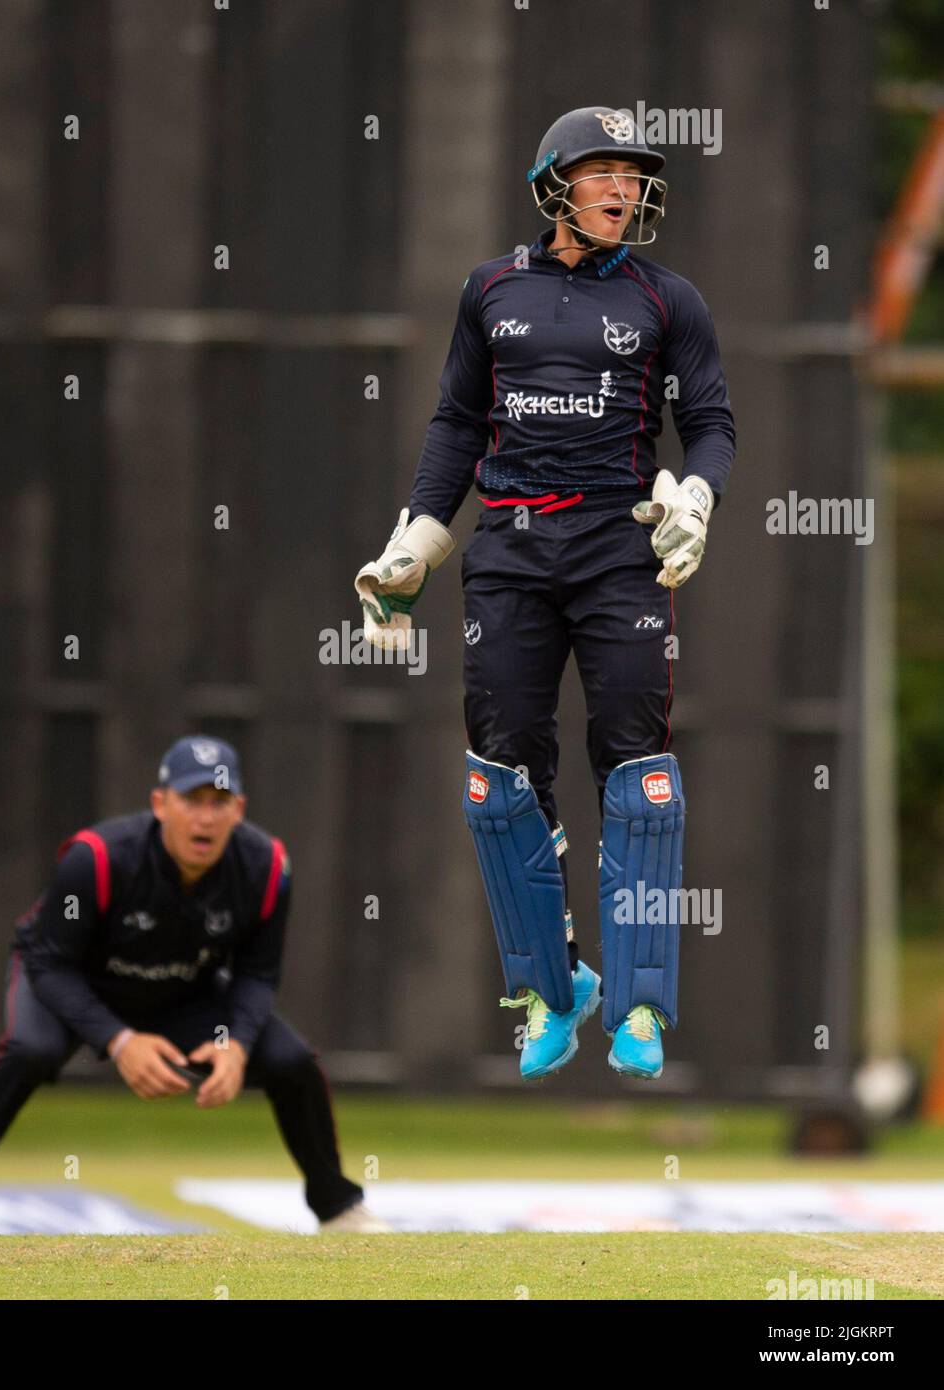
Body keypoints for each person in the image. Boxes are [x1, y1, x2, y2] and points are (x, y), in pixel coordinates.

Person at [355, 107, 735, 1082]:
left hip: (618, 548)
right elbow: (452, 421)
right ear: (553, 185)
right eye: (602, 171)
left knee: (635, 767)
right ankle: (550, 988)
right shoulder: (489, 291)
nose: (622, 190)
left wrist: (695, 493)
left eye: (632, 175)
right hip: (511, 551)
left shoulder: (667, 299)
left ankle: (641, 1002)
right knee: (498, 776)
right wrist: (419, 536)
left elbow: (712, 423)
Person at [0, 734, 386, 1233]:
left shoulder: (267, 868)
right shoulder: (97, 857)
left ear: (239, 810)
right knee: (30, 1050)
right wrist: (121, 1041)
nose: (205, 817)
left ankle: (338, 1207)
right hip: (74, 982)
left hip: (180, 991)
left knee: (291, 1061)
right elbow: (48, 964)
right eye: (191, 800)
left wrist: (237, 1046)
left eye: (219, 802)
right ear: (160, 804)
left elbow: (257, 973)